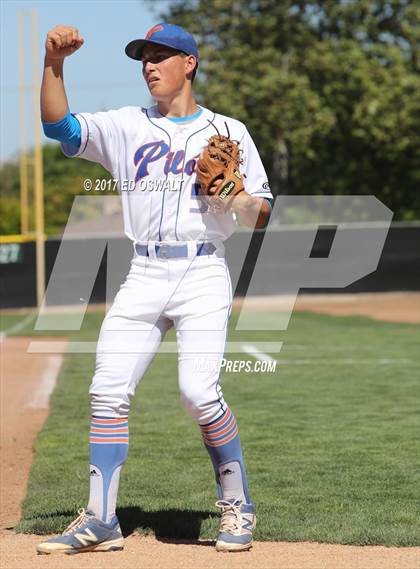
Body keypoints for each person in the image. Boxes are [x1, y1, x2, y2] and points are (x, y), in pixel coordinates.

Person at [37, 22, 273, 555]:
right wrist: (54, 64)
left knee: (197, 393)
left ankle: (238, 504)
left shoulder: (228, 131)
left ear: (189, 63)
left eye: (161, 54)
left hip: (203, 272)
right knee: (107, 390)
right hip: (142, 273)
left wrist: (235, 196)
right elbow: (60, 128)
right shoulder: (125, 125)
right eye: (144, 56)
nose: (149, 64)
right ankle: (101, 520)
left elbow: (262, 214)